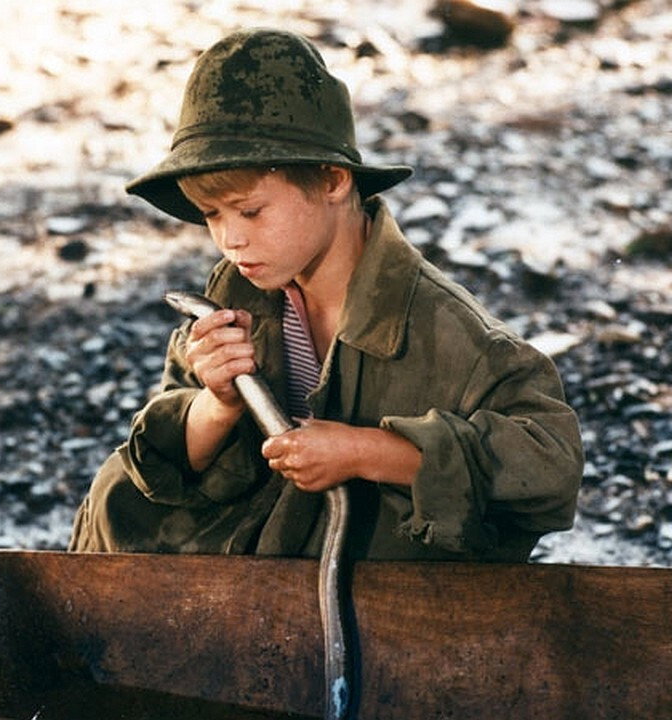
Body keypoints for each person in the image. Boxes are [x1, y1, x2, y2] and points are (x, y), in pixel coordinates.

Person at [68, 27, 582, 561]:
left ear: (334, 181)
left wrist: (372, 453)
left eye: (249, 211)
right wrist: (215, 405)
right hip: (258, 560)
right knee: (117, 491)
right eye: (211, 215)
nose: (229, 238)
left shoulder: (445, 330)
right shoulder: (238, 288)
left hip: (372, 588)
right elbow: (167, 452)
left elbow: (552, 467)